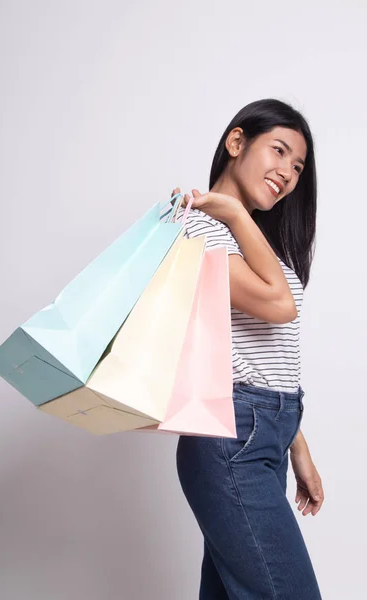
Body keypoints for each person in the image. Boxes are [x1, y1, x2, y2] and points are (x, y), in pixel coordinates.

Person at [173, 98, 324, 599]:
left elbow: (268, 352)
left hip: (266, 434)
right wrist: (236, 213)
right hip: (230, 438)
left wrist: (296, 445)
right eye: (278, 151)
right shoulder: (196, 226)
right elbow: (280, 305)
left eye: (298, 166)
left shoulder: (253, 238)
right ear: (236, 143)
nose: (287, 173)